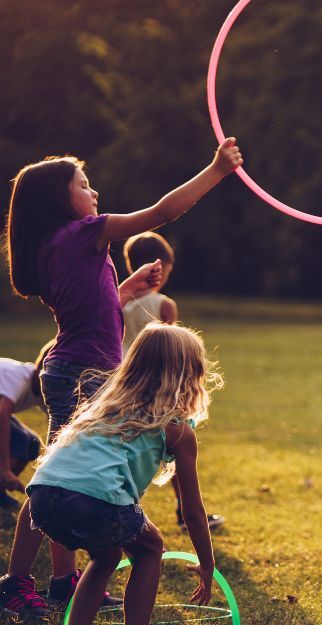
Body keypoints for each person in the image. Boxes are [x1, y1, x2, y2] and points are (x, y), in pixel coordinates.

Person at [0, 138, 242, 617]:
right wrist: (217, 169)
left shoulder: (54, 246)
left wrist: (126, 289)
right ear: (58, 199)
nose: (94, 192)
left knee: (55, 474)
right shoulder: (85, 233)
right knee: (55, 476)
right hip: (83, 373)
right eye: (83, 185)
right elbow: (163, 212)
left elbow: (91, 308)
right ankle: (25, 580)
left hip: (69, 367)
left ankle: (54, 579)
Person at [26, 323, 221, 625]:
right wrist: (207, 564)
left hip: (41, 496)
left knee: (105, 557)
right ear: (190, 374)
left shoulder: (103, 406)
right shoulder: (176, 429)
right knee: (150, 548)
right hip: (93, 502)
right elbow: (192, 510)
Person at [121, 231, 226, 531]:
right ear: (159, 267)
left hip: (126, 379)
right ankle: (187, 511)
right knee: (177, 444)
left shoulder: (121, 302)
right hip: (161, 384)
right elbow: (173, 347)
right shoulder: (164, 304)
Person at [0, 342, 54, 511]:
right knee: (22, 439)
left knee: (31, 443)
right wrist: (5, 468)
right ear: (39, 369)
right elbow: (1, 416)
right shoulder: (18, 377)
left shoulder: (45, 388)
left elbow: (57, 426)